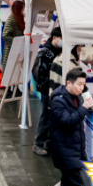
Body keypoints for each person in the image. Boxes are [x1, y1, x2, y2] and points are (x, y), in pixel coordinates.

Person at [48, 69, 93, 186]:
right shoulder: (58, 100)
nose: (82, 88)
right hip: (64, 151)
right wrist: (84, 108)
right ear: (69, 83)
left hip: (72, 149)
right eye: (79, 84)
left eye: (84, 84)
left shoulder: (74, 96)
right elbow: (67, 121)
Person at [32, 27, 62, 156]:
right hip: (47, 89)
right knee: (46, 116)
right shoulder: (45, 52)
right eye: (62, 39)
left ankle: (49, 143)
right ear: (54, 38)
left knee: (53, 116)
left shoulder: (59, 50)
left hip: (56, 88)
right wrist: (48, 88)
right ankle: (38, 144)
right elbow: (39, 73)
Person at [1, 0, 25, 72]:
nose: (23, 11)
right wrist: (16, 43)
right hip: (10, 51)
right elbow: (5, 35)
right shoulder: (11, 20)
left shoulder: (19, 18)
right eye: (22, 9)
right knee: (9, 73)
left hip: (17, 49)